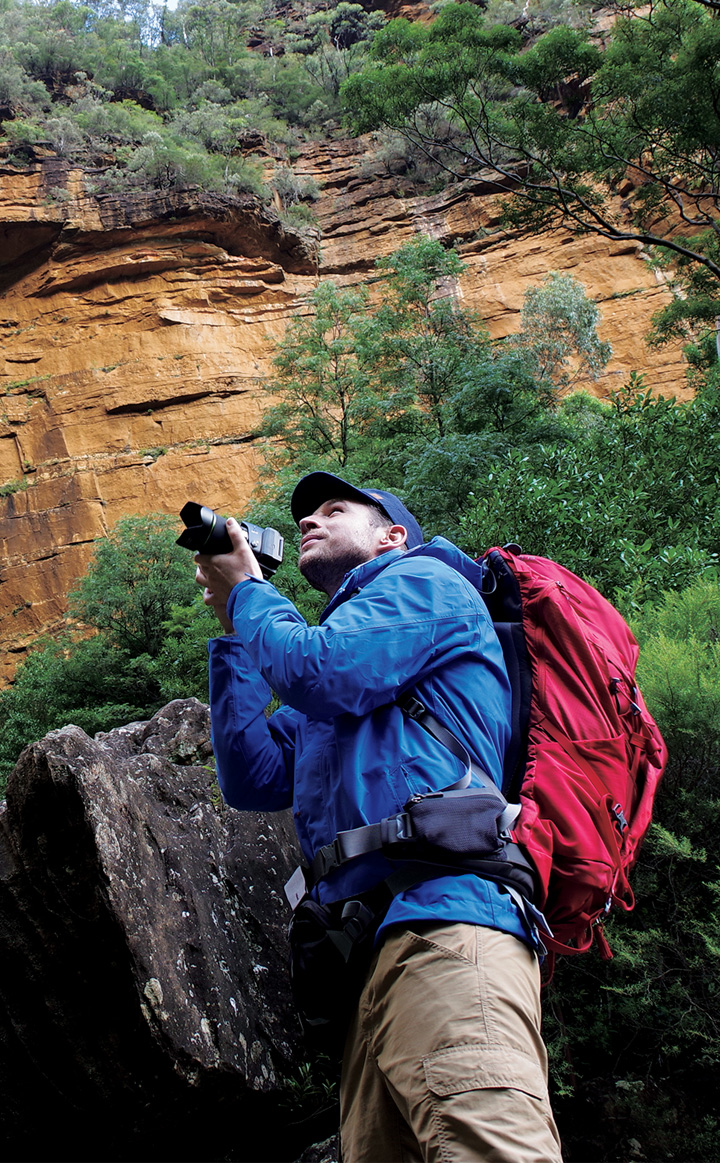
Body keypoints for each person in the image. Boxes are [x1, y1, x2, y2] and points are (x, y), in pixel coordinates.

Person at [195, 471, 562, 1163]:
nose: (311, 519)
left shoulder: (425, 585)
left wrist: (249, 589)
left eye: (336, 509)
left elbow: (319, 669)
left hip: (450, 925)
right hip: (371, 963)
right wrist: (236, 629)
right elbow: (253, 775)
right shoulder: (344, 652)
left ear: (393, 535)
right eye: (305, 514)